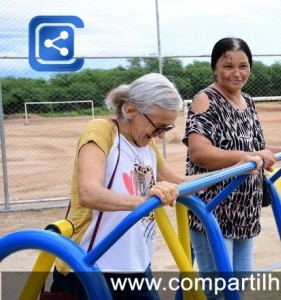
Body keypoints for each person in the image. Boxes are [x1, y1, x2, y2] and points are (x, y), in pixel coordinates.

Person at [50, 73, 262, 299]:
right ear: (131, 110)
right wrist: (144, 202)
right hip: (91, 265)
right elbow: (88, 193)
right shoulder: (102, 131)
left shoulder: (147, 145)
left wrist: (233, 169)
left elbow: (178, 183)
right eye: (158, 127)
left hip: (135, 264)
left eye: (167, 129)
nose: (160, 136)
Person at [183, 37, 281, 295]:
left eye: (243, 66)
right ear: (215, 68)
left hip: (244, 212)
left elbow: (255, 148)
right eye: (228, 66)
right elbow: (199, 152)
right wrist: (245, 157)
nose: (236, 73)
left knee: (238, 290)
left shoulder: (248, 102)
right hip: (214, 208)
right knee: (221, 293)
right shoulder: (205, 99)